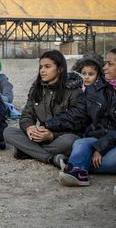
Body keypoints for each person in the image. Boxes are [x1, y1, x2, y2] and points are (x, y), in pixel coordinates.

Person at [43, 48, 116, 186]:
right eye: (105, 63)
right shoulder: (95, 90)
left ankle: (74, 165)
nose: (104, 68)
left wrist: (100, 148)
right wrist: (47, 125)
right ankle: (76, 172)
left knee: (108, 161)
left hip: (111, 142)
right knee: (80, 143)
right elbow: (77, 115)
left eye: (110, 64)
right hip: (97, 138)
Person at [3, 50, 84, 168]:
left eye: (47, 66)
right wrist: (29, 128)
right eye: (41, 67)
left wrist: (52, 135)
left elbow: (76, 123)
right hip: (39, 136)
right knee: (8, 132)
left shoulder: (73, 91)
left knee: (71, 141)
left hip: (60, 137)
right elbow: (26, 116)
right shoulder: (36, 89)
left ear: (60, 69)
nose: (42, 70)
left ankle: (28, 151)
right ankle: (51, 158)